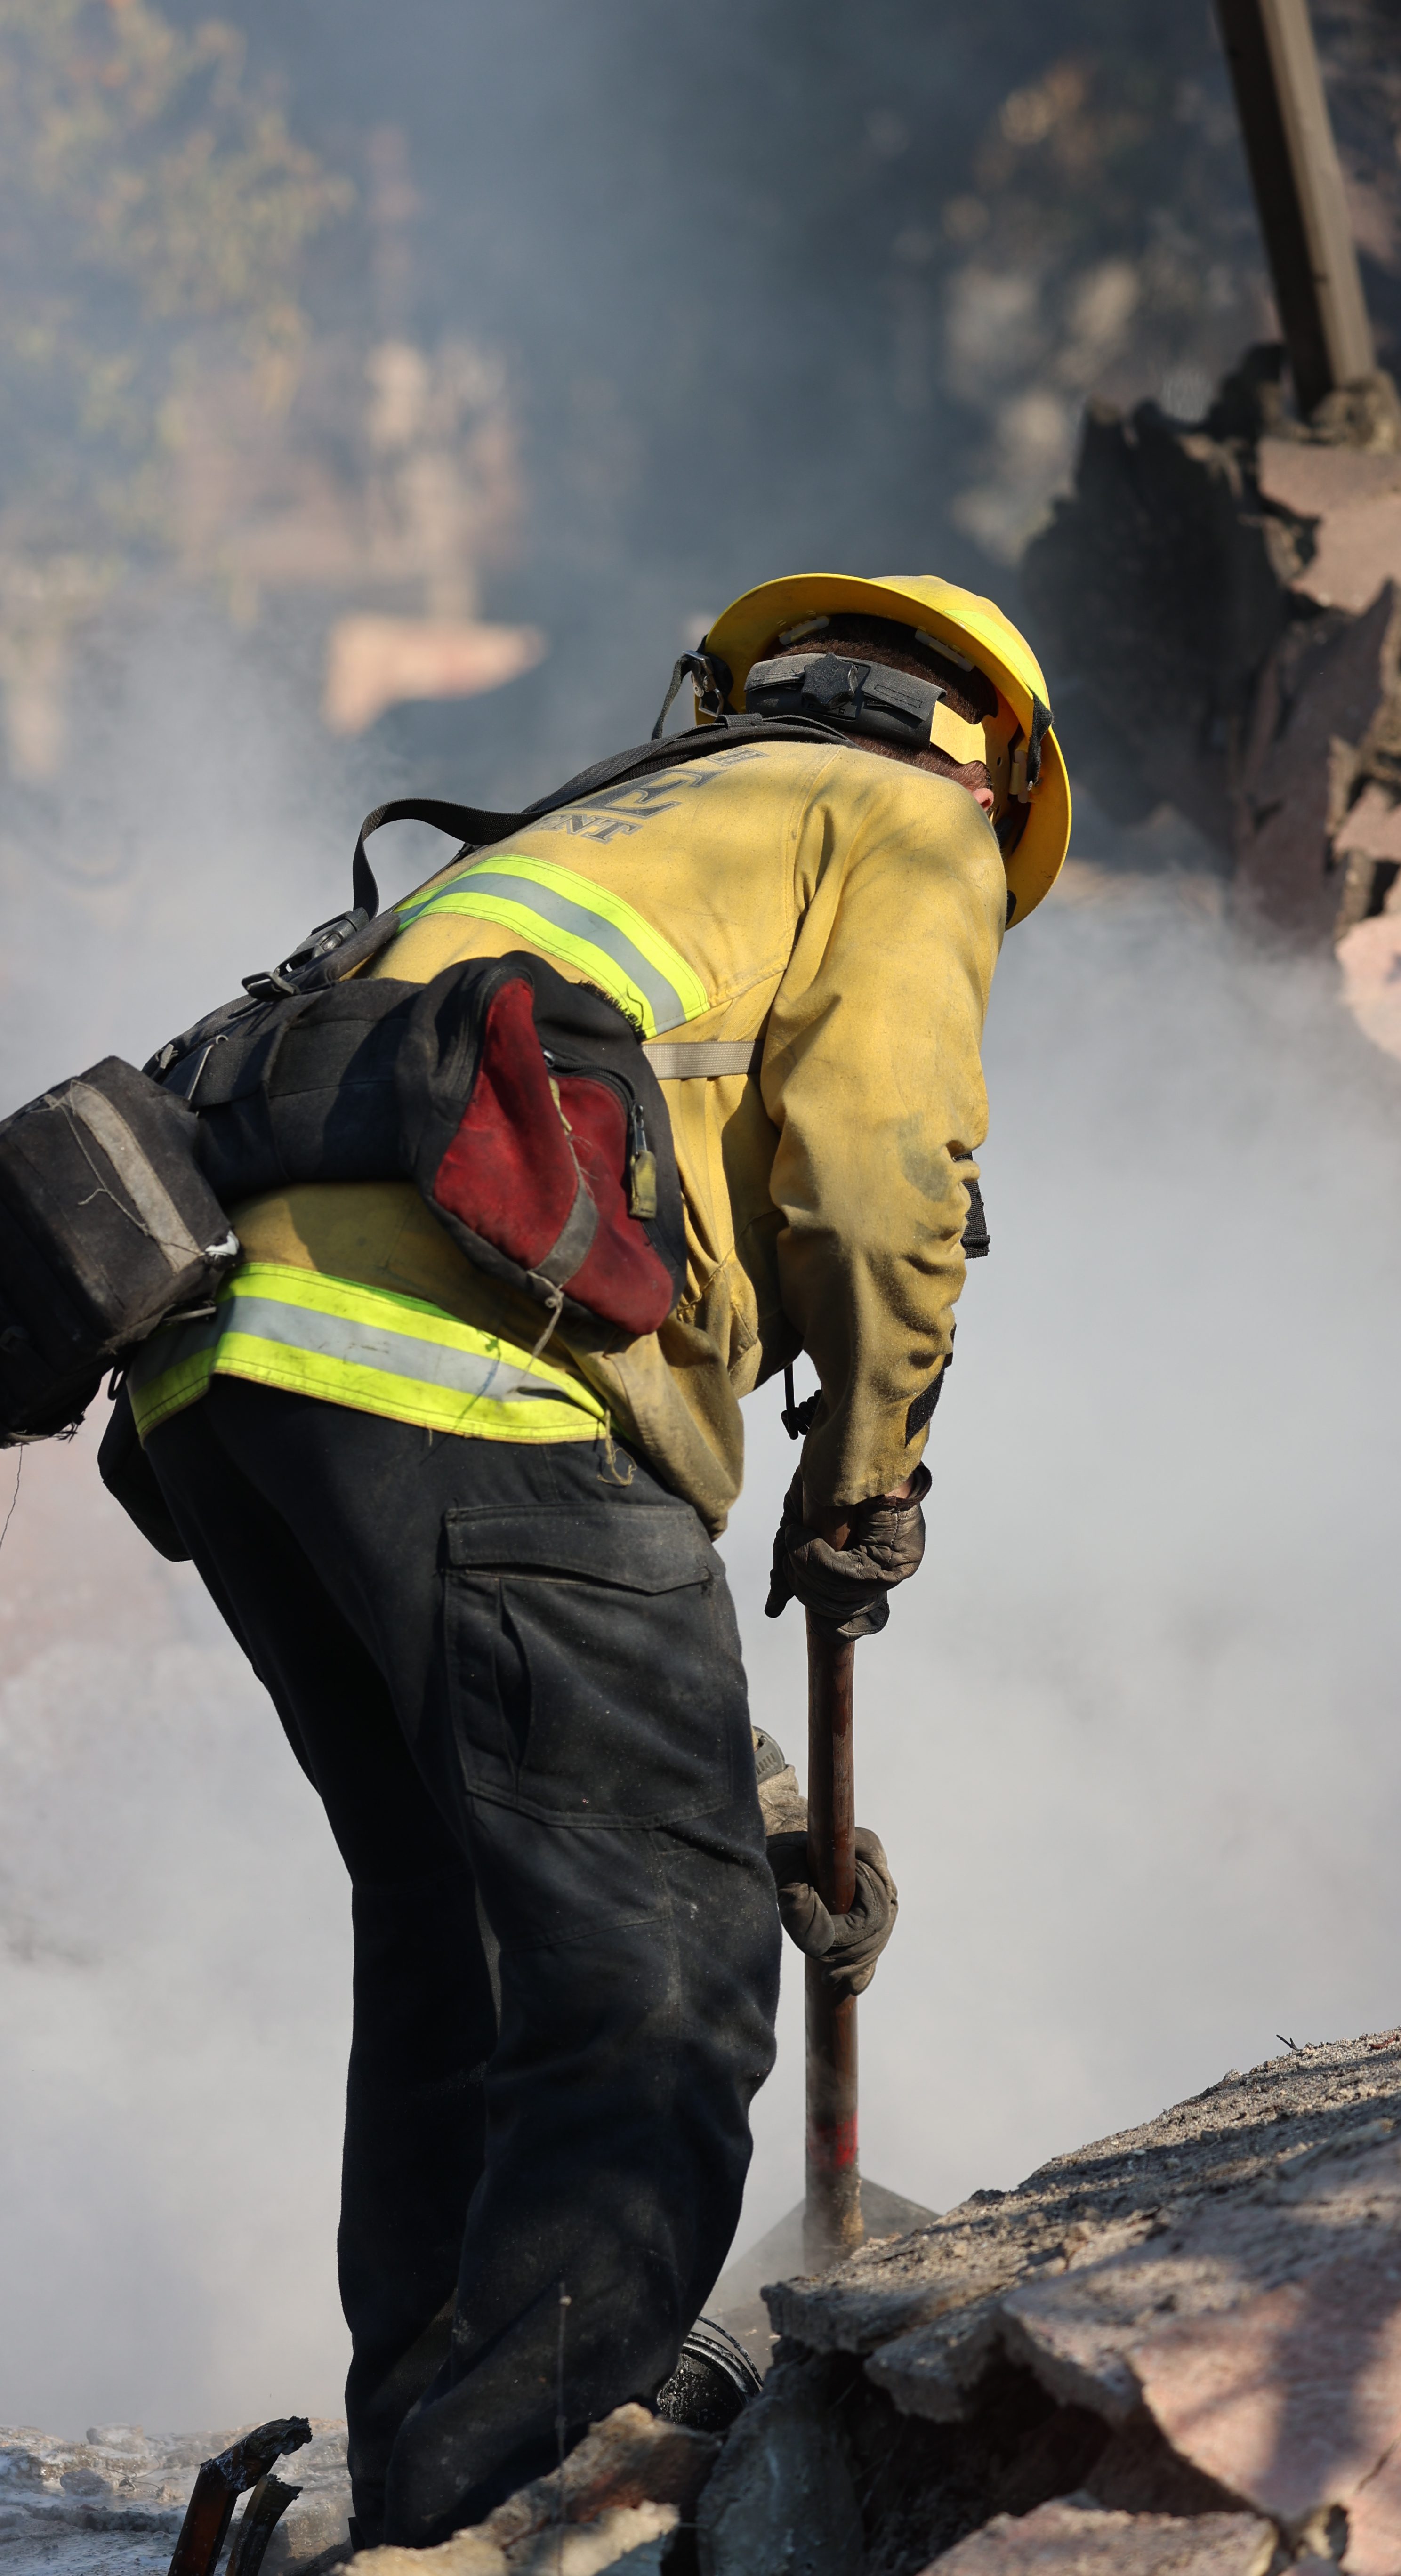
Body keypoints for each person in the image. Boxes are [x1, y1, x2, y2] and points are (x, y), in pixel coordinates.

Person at [123, 573, 1071, 2548]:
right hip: (468, 1378)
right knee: (659, 1989)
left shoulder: (601, 823)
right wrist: (867, 1481)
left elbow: (522, 1656)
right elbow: (884, 1166)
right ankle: (505, 2516)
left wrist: (740, 1795)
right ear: (999, 762)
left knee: (469, 1941)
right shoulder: (903, 816)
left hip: (230, 1397)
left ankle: (417, 2480)